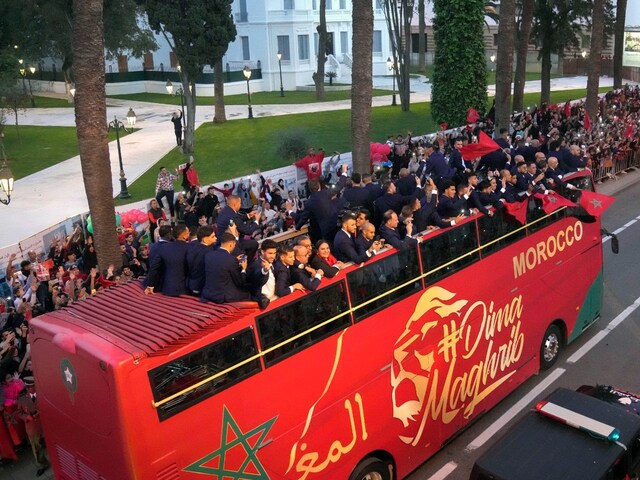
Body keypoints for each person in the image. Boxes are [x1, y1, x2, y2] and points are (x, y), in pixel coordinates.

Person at [201, 233, 253, 305]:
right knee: (249, 292)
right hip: (223, 296)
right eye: (234, 245)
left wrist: (234, 260)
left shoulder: (208, 255)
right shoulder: (231, 260)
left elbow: (221, 264)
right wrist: (243, 269)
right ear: (231, 244)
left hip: (208, 293)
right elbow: (240, 282)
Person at [144, 224, 190, 297]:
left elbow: (154, 267)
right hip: (186, 290)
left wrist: (150, 285)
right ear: (185, 235)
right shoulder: (190, 248)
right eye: (188, 232)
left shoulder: (164, 247)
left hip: (167, 288)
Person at [17, 377, 49, 476]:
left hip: (46, 424)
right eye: (28, 387)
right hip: (33, 427)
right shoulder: (22, 399)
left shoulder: (43, 393)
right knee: (36, 447)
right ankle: (42, 464)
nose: (30, 389)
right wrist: (27, 417)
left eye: (32, 386)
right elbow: (19, 412)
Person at [216, 195, 261, 260]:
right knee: (253, 244)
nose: (240, 205)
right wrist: (256, 220)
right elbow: (248, 231)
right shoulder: (232, 217)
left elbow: (237, 218)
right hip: (229, 243)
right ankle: (246, 263)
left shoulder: (225, 210)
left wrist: (248, 215)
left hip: (222, 239)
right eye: (240, 203)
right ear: (235, 204)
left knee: (252, 244)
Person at [186, 225, 217, 295]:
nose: (216, 238)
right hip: (204, 287)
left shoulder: (192, 249)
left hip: (192, 285)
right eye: (213, 236)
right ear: (205, 239)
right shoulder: (210, 252)